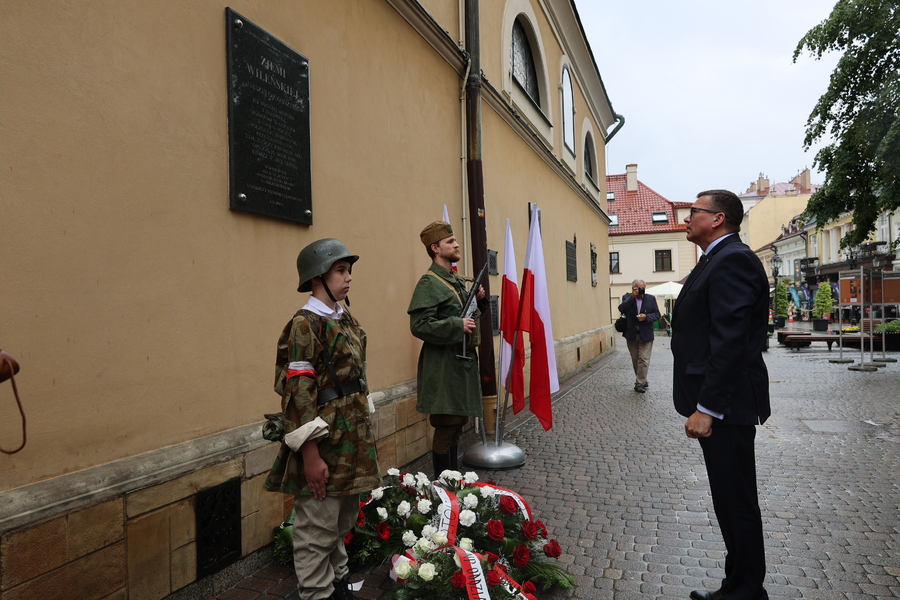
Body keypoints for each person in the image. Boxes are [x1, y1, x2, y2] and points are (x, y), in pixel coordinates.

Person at [264, 238, 380, 600]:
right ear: (318, 277)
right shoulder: (304, 324)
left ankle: (339, 582)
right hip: (324, 439)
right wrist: (310, 456)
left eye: (349, 271)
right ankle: (317, 593)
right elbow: (298, 393)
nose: (348, 279)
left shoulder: (343, 317)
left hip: (351, 436)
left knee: (340, 517)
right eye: (341, 271)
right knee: (317, 525)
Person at [672, 190, 771, 600]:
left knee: (736, 500)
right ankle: (737, 584)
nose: (686, 218)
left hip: (726, 405)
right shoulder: (715, 258)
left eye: (694, 211)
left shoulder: (732, 260)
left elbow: (729, 341)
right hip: (721, 404)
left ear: (718, 219)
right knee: (728, 500)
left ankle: (747, 590)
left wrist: (707, 409)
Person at [408, 221, 487, 478]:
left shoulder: (455, 280)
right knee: (445, 425)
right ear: (435, 248)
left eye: (455, 240)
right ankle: (443, 489)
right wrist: (456, 324)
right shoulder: (429, 283)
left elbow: (468, 318)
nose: (456, 244)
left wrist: (479, 302)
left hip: (460, 363)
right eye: (450, 241)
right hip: (442, 366)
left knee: (457, 425)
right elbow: (419, 325)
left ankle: (455, 483)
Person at [617, 279, 660, 393]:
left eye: (643, 288)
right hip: (631, 334)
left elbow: (657, 314)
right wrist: (632, 296)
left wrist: (646, 317)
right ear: (633, 288)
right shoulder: (627, 297)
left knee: (643, 359)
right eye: (638, 288)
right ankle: (643, 380)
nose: (641, 290)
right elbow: (621, 309)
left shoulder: (651, 299)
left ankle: (639, 383)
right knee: (636, 359)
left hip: (646, 334)